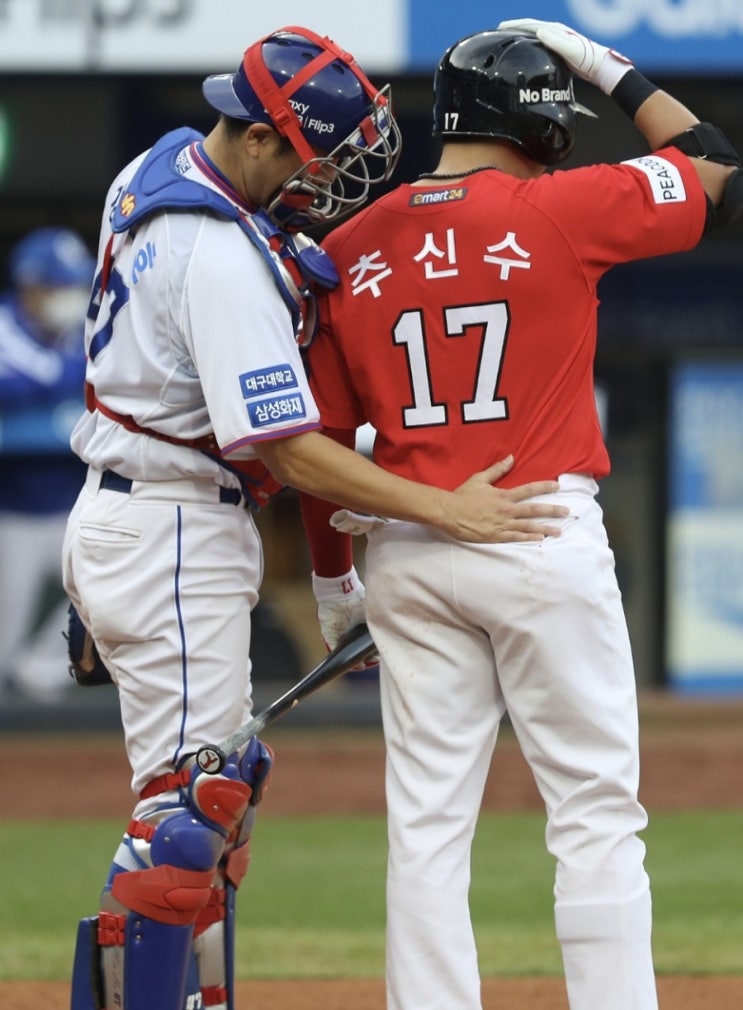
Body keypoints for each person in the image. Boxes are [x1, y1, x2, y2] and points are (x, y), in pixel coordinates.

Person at [62, 25, 570, 1010]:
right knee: (182, 821)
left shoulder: (164, 164)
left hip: (148, 509)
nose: (320, 183)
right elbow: (291, 452)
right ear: (255, 138)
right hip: (167, 525)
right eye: (309, 157)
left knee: (213, 814)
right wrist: (441, 509)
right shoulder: (216, 258)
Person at [298, 19, 742, 1010]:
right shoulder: (563, 207)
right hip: (538, 528)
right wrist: (605, 64)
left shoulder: (345, 247)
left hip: (408, 541)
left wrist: (335, 582)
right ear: (537, 119)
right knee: (591, 812)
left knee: (425, 823)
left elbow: (317, 453)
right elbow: (711, 167)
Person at [0, 227, 93, 701]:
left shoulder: (84, 332)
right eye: (58, 286)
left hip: (70, 509)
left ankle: (36, 676)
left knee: (103, 590)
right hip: (10, 515)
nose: (69, 296)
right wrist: (60, 394)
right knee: (3, 637)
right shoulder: (4, 329)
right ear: (30, 287)